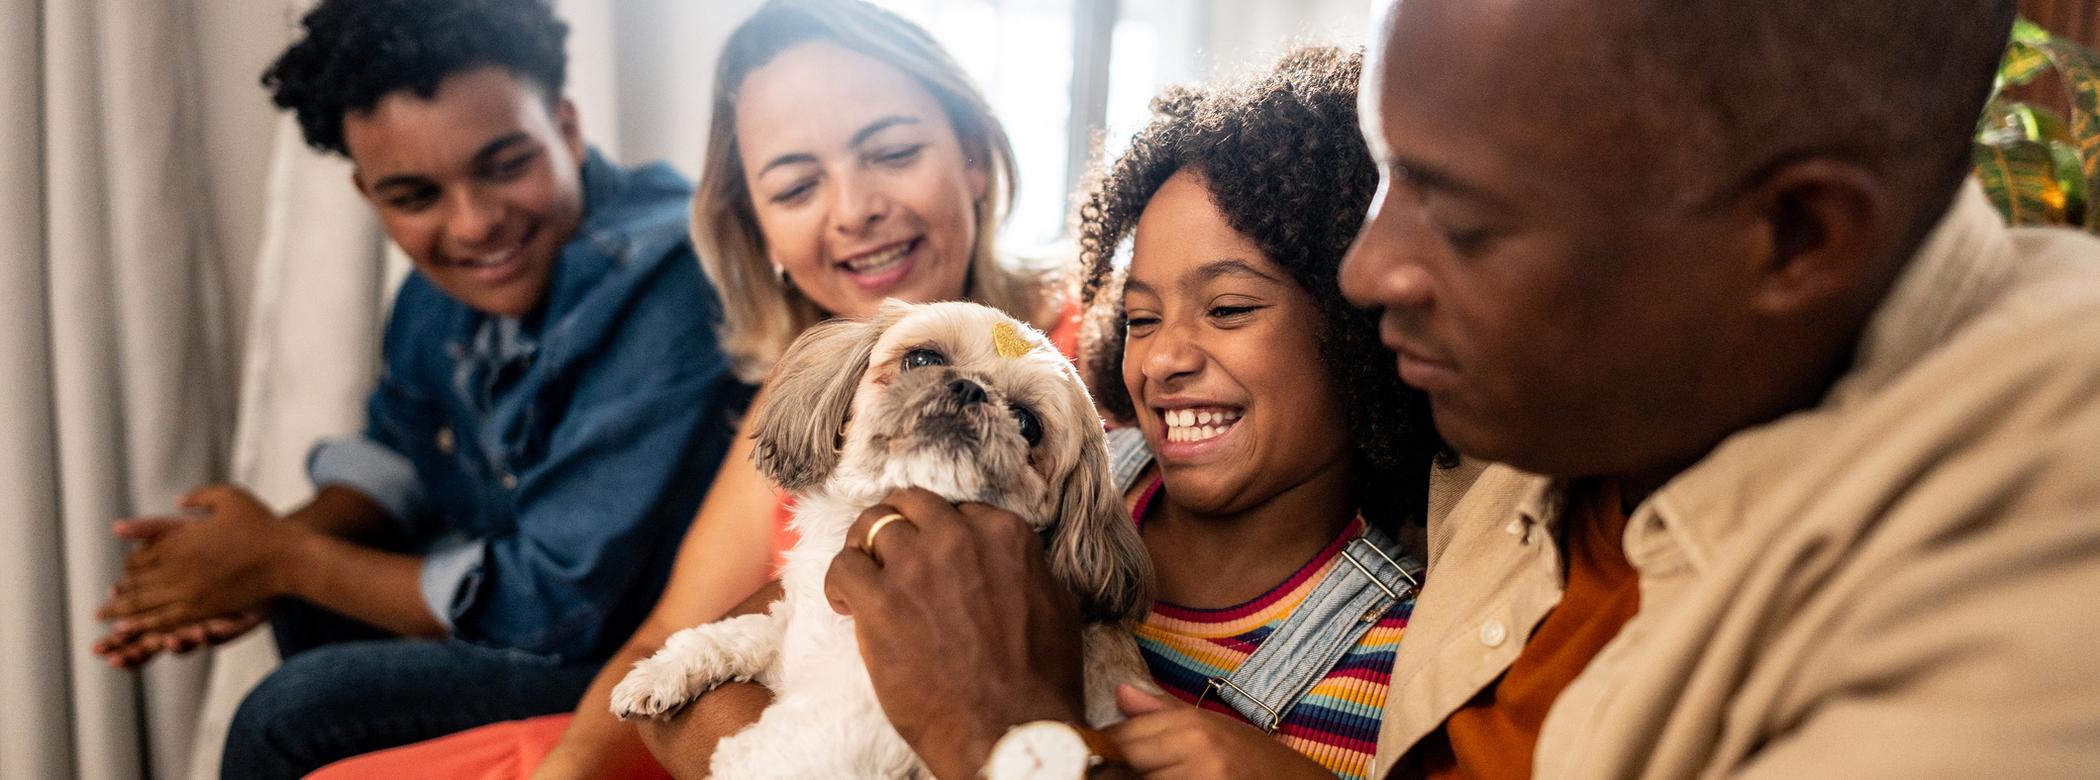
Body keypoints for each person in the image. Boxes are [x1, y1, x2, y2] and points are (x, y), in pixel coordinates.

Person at [824, 0, 2100, 778]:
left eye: (1466, 217)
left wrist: (1010, 736)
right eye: (1386, 178)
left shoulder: (2036, 534)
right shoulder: (1573, 389)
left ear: (1798, 237)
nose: (1369, 273)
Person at [303, 1, 1066, 778]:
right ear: (757, 225)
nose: (854, 210)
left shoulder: (1081, 368)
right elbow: (668, 630)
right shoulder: (794, 391)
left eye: (894, 152)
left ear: (974, 155)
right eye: (797, 187)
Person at [89, 0, 748, 777]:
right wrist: (236, 563)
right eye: (414, 197)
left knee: (287, 714)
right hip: (540, 611)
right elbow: (402, 452)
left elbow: (555, 607)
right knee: (319, 583)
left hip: (625, 642)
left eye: (505, 165)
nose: (472, 225)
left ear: (566, 128)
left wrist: (281, 558)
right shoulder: (445, 286)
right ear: (370, 196)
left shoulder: (669, 278)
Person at [1069, 47, 1444, 780]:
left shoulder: (1401, 666)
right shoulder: (1052, 482)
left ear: (1355, 328)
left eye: (1228, 309)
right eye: (1141, 319)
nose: (1164, 358)